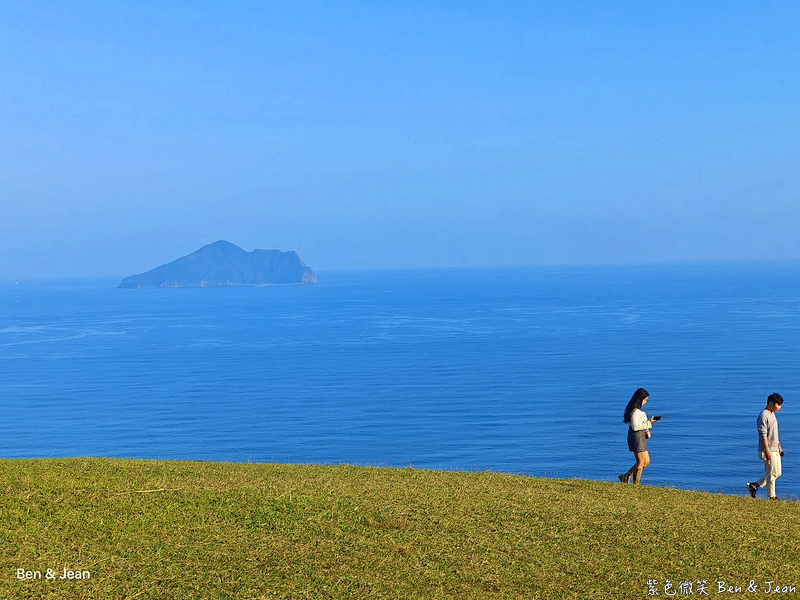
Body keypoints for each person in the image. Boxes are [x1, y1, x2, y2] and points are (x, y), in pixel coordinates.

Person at [748, 393, 785, 500]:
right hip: (768, 449)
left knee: (777, 473)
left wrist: (779, 446)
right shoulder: (763, 416)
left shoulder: (772, 414)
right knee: (772, 473)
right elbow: (763, 436)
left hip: (775, 448)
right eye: (778, 405)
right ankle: (772, 497)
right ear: (771, 403)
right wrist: (767, 451)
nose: (780, 408)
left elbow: (774, 434)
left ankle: (754, 485)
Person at [619, 388, 659, 484]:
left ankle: (626, 476)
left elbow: (640, 425)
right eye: (644, 400)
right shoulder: (635, 412)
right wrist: (649, 422)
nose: (645, 402)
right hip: (636, 437)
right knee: (641, 462)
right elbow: (636, 427)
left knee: (646, 461)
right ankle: (636, 483)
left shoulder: (637, 412)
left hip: (640, 436)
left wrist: (646, 430)